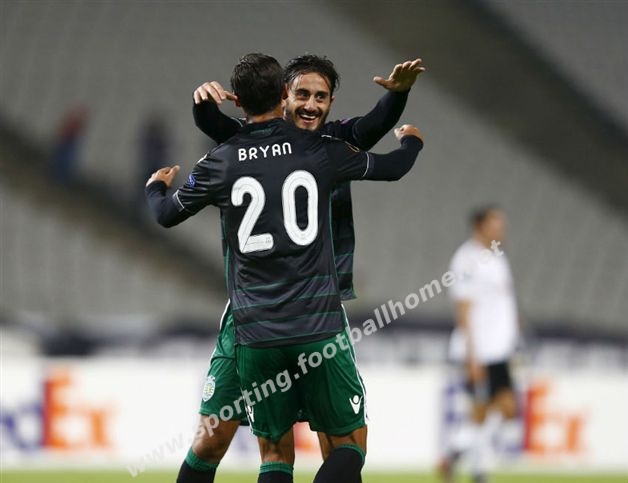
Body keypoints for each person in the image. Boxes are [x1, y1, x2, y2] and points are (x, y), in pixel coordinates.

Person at [145, 53, 423, 483]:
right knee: (214, 440)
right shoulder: (316, 150)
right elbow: (387, 159)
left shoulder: (318, 142)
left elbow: (369, 127)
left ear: (331, 103)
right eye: (302, 95)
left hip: (272, 323)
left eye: (321, 97)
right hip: (268, 320)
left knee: (287, 450)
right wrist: (411, 142)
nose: (311, 105)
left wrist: (398, 96)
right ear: (283, 97)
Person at [440, 205, 520, 483]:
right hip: (480, 349)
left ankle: (457, 451)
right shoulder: (467, 259)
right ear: (479, 226)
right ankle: (478, 469)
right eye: (496, 224)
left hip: (499, 348)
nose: (501, 230)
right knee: (485, 409)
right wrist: (472, 355)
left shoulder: (497, 257)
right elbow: (463, 307)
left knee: (502, 409)